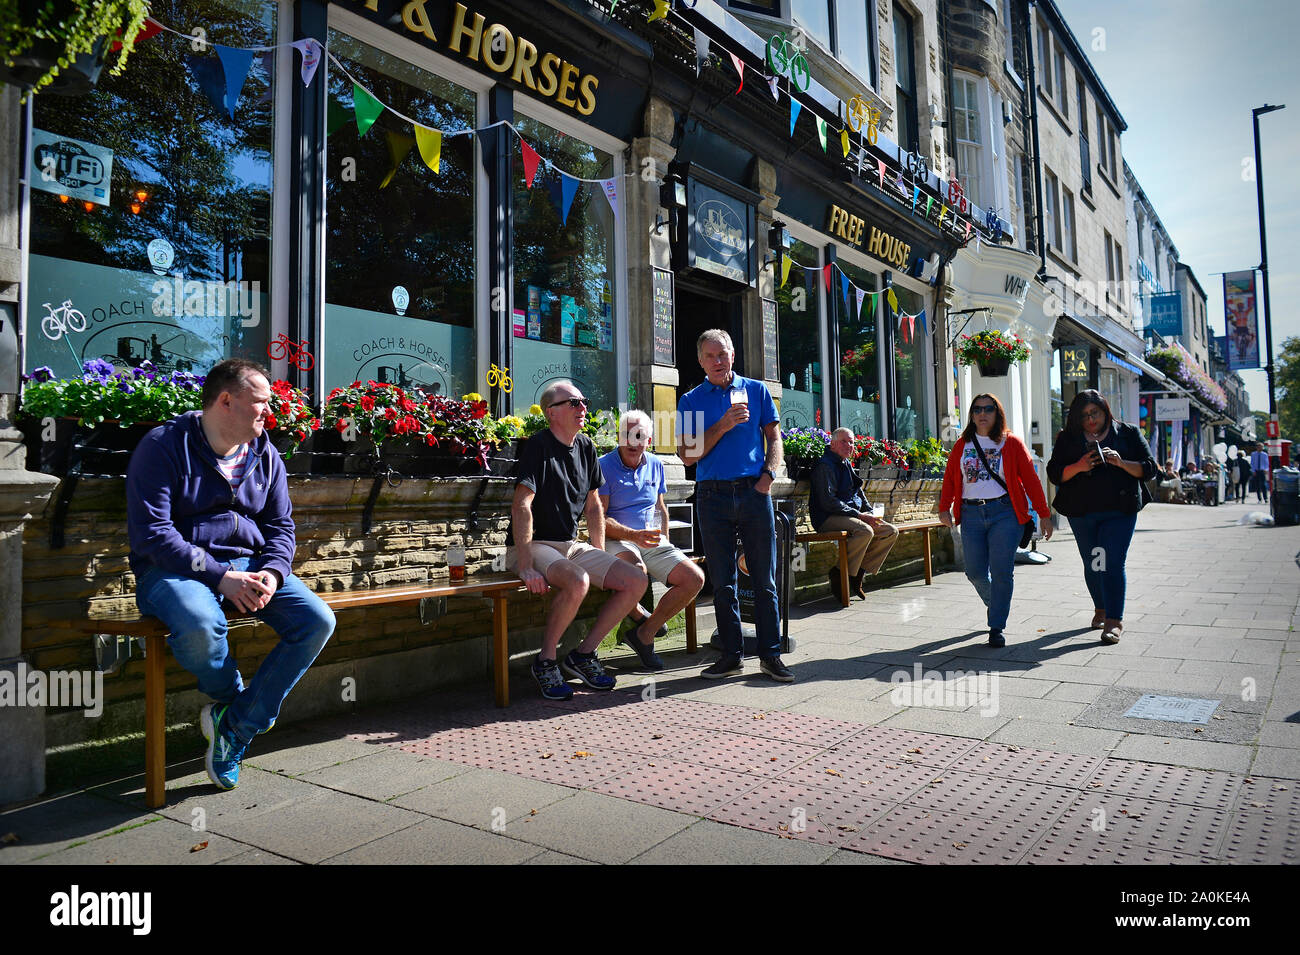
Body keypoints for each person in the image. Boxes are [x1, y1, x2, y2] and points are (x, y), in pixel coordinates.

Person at [126, 359, 336, 792]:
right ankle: (233, 703)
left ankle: (235, 727)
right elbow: (153, 534)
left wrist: (274, 574)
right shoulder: (164, 446)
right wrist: (221, 576)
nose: (267, 413)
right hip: (172, 571)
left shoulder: (265, 453)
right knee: (201, 624)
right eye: (260, 403)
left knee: (317, 621)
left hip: (250, 566)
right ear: (226, 400)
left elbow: (281, 529)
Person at [507, 379, 647, 700]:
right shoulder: (538, 447)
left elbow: (594, 505)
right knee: (579, 580)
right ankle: (545, 661)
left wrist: (601, 555)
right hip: (535, 544)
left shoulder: (585, 446)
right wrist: (526, 565)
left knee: (634, 580)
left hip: (570, 545)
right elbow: (521, 505)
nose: (583, 407)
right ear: (551, 413)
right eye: (574, 403)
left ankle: (583, 654)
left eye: (583, 401)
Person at [677, 329, 793, 682]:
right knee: (723, 582)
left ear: (733, 355)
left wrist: (769, 476)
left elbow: (774, 437)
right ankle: (731, 655)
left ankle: (771, 655)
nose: (717, 361)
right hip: (711, 495)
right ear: (700, 361)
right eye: (710, 356)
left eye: (723, 354)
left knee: (765, 579)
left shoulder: (755, 390)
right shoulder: (692, 399)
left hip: (752, 491)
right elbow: (686, 455)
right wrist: (723, 425)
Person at [938, 394, 1052, 647]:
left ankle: (996, 626)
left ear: (997, 413)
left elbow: (1031, 480)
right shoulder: (962, 444)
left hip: (1005, 513)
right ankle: (997, 603)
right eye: (977, 409)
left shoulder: (1011, 443)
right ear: (971, 414)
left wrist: (1044, 514)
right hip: (970, 514)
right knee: (975, 572)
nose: (982, 413)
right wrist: (944, 507)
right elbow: (950, 478)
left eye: (988, 409)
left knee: (1002, 572)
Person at [1046, 389, 1158, 645]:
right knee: (1094, 563)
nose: (1090, 419)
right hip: (1083, 512)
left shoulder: (1127, 433)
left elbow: (1150, 468)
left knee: (1112, 562)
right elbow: (1055, 473)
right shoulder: (1068, 438)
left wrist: (1121, 463)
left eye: (1094, 413)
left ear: (1105, 411)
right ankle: (1101, 608)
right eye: (1084, 415)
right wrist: (1080, 466)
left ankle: (1114, 621)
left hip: (1119, 510)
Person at [598, 409, 706, 671]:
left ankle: (644, 633)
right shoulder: (603, 465)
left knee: (695, 578)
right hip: (618, 539)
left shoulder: (656, 464)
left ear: (649, 440)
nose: (633, 442)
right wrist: (633, 535)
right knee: (637, 572)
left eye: (640, 436)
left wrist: (666, 542)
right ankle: (637, 615)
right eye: (627, 435)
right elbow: (600, 519)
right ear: (619, 437)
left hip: (651, 540)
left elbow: (660, 508)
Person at [809, 427, 899, 601]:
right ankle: (839, 574)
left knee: (890, 531)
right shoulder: (824, 465)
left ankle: (857, 573)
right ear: (833, 443)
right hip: (827, 518)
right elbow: (828, 502)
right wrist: (860, 516)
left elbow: (857, 492)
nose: (849, 445)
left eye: (851, 442)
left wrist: (869, 512)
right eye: (844, 441)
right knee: (865, 531)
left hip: (851, 515)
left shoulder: (846, 463)